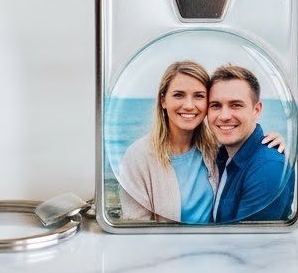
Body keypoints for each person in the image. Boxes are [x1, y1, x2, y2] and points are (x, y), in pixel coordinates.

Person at [116, 60, 285, 224]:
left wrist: (273, 145)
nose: (189, 105)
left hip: (213, 249)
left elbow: (249, 146)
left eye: (198, 96)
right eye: (178, 95)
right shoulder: (138, 157)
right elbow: (136, 228)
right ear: (163, 100)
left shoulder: (215, 148)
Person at [208, 65, 295, 224]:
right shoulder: (219, 156)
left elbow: (249, 245)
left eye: (236, 105)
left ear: (256, 110)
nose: (224, 116)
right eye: (215, 105)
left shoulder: (268, 168)